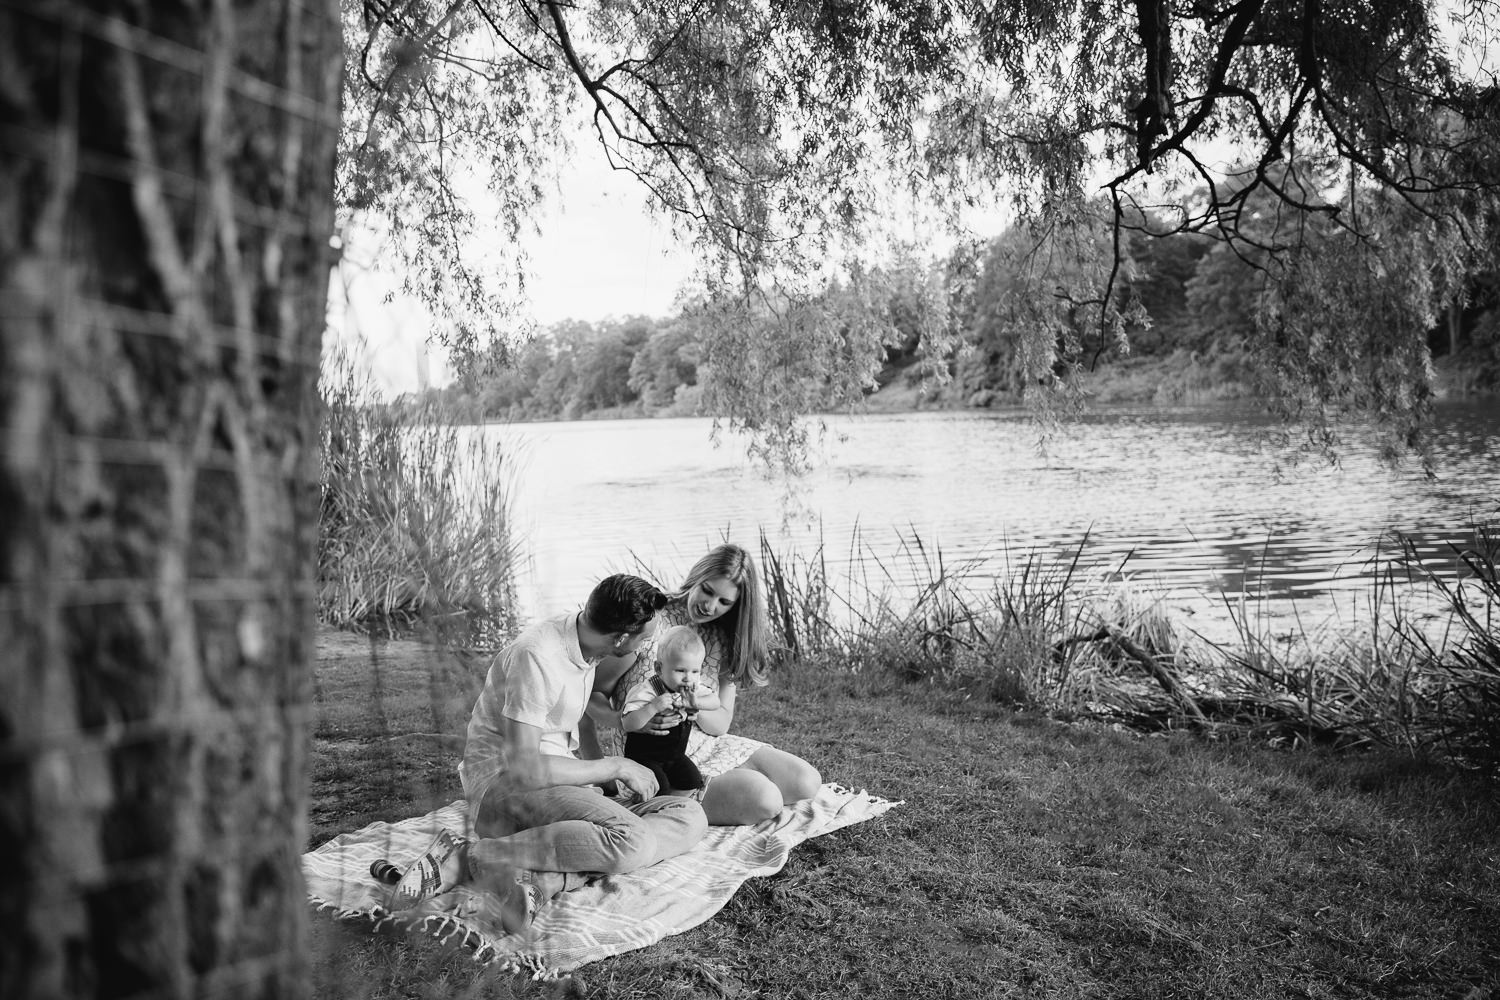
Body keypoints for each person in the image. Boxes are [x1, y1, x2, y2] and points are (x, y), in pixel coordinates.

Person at [386, 574, 708, 932]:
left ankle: (547, 880)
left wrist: (606, 784)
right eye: (643, 642)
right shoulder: (537, 656)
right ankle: (468, 856)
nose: (641, 652)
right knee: (633, 840)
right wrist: (613, 766)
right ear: (620, 638)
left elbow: (580, 719)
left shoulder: (587, 644)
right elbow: (525, 766)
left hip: (560, 784)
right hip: (503, 789)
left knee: (689, 813)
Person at [592, 544, 822, 826]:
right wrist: (627, 720)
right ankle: (667, 798)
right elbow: (593, 696)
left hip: (704, 743)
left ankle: (722, 782)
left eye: (724, 602)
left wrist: (695, 706)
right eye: (708, 590)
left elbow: (721, 723)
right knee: (766, 800)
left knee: (806, 782)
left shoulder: (724, 637)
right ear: (697, 576)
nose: (710, 606)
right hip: (649, 757)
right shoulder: (648, 624)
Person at [620, 625, 721, 796]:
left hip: (673, 755)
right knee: (659, 787)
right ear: (659, 668)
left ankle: (669, 807)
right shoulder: (647, 691)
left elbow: (715, 702)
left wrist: (696, 703)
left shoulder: (692, 690)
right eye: (680, 670)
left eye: (695, 671)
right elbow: (627, 723)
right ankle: (651, 807)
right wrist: (652, 707)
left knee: (692, 780)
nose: (688, 678)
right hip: (645, 756)